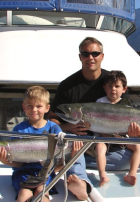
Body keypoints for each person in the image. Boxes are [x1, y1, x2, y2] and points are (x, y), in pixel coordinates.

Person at [0, 86, 87, 202]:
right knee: (24, 192)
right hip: (23, 172)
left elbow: (60, 159)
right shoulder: (18, 129)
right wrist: (4, 160)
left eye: (38, 106)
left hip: (47, 172)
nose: (34, 110)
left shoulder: (55, 129)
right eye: (29, 106)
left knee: (43, 191)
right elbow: (17, 164)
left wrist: (73, 154)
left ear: (47, 108)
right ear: (23, 107)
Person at [49, 37, 134, 173]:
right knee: (71, 146)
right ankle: (77, 164)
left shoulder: (113, 81)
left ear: (102, 56)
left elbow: (127, 113)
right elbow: (52, 118)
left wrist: (132, 131)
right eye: (85, 54)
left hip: (108, 142)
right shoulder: (67, 86)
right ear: (80, 57)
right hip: (77, 141)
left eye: (95, 53)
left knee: (126, 160)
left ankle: (73, 162)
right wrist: (68, 126)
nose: (90, 57)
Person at [95, 70, 140, 186]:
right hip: (105, 137)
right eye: (110, 86)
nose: (113, 89)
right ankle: (102, 174)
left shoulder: (127, 107)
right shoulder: (99, 103)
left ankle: (132, 174)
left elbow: (135, 127)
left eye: (117, 86)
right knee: (99, 148)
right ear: (104, 88)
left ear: (124, 89)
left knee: (139, 146)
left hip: (123, 137)